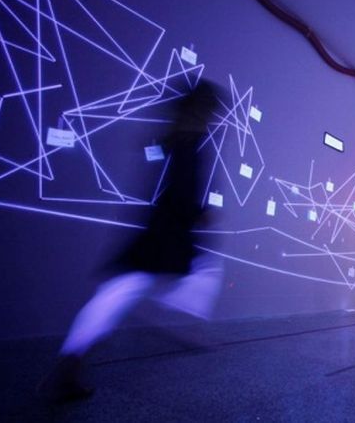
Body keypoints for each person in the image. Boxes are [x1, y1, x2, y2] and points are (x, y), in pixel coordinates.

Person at [39, 80, 225, 402]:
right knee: (182, 278)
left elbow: (171, 179)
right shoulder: (188, 143)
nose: (213, 117)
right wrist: (200, 213)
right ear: (202, 110)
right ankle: (179, 322)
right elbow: (182, 190)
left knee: (121, 292)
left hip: (160, 231)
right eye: (211, 110)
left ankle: (71, 363)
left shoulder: (175, 139)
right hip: (167, 234)